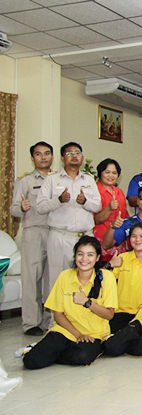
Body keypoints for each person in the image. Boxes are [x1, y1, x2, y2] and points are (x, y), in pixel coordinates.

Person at [23, 236, 117, 369]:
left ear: (97, 258)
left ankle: (56, 353)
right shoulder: (65, 276)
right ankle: (44, 351)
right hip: (66, 331)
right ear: (75, 257)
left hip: (93, 334)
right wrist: (77, 335)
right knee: (31, 361)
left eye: (90, 255)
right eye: (80, 254)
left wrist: (87, 302)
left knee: (82, 357)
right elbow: (58, 314)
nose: (84, 259)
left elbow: (109, 315)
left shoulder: (106, 277)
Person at [36, 142, 102, 291]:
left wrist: (85, 202)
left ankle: (79, 314)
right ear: (62, 158)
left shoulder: (89, 180)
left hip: (85, 237)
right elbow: (40, 206)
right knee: (58, 280)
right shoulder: (52, 179)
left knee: (83, 280)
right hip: (60, 236)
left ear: (82, 157)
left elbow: (97, 206)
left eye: (77, 153)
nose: (74, 156)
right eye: (69, 153)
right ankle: (56, 315)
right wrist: (58, 201)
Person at [10, 141, 53, 335]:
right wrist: (22, 208)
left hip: (55, 231)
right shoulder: (25, 181)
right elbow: (13, 209)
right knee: (32, 278)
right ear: (33, 158)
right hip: (34, 231)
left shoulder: (58, 179)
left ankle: (51, 322)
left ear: (52, 156)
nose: (43, 157)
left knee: (53, 279)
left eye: (47, 153)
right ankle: (31, 323)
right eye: (38, 154)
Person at [107, 223, 142, 333]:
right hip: (121, 312)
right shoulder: (122, 258)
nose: (137, 240)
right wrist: (110, 265)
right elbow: (102, 280)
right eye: (134, 236)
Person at [92, 158, 129, 261]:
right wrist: (109, 208)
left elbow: (125, 216)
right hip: (99, 241)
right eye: (107, 172)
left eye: (114, 173)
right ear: (100, 173)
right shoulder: (94, 191)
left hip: (117, 241)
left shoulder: (119, 192)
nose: (111, 176)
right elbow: (94, 220)